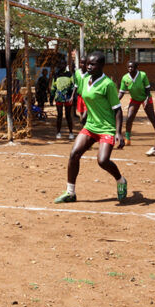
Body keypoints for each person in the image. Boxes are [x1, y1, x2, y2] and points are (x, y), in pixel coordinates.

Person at [53, 51, 127, 203]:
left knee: (103, 161)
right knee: (74, 154)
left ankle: (121, 180)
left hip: (106, 128)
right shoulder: (85, 79)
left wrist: (119, 132)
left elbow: (117, 109)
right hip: (90, 126)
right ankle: (70, 193)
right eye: (87, 64)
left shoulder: (108, 84)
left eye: (92, 64)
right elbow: (88, 97)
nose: (88, 67)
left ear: (101, 66)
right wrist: (86, 111)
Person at [118, 60, 155, 146]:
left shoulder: (143, 75)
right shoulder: (125, 78)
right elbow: (121, 92)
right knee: (129, 118)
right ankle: (128, 138)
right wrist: (115, 101)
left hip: (146, 98)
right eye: (128, 67)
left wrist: (147, 99)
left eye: (132, 67)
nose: (130, 68)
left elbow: (148, 89)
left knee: (152, 118)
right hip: (135, 99)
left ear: (137, 68)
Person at [51, 64, 76, 139]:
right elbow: (53, 87)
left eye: (63, 65)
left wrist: (72, 96)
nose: (61, 67)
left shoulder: (70, 74)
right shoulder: (56, 75)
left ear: (65, 66)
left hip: (68, 97)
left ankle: (71, 133)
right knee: (59, 115)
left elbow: (73, 85)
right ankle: (58, 132)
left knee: (68, 115)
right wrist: (51, 98)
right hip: (59, 98)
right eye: (60, 65)